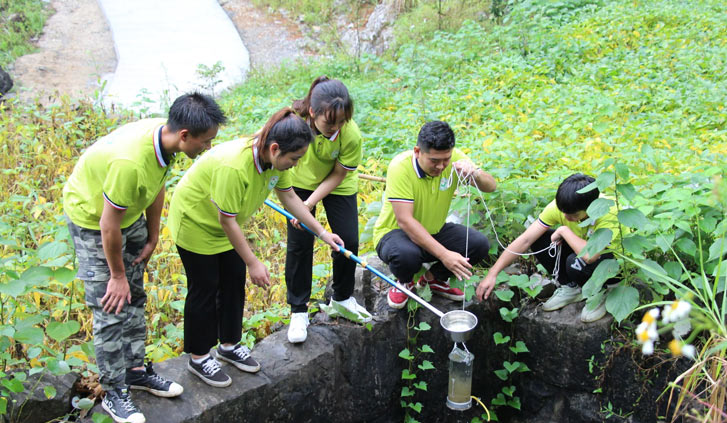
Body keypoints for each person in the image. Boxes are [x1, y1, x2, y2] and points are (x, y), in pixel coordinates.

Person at [63, 92, 226, 423]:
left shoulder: (164, 142)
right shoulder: (131, 162)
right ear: (185, 136)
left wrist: (153, 235)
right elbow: (108, 225)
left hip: (128, 215)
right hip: (92, 218)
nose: (208, 148)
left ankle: (134, 371)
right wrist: (117, 274)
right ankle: (112, 390)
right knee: (112, 304)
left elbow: (155, 187)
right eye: (206, 142)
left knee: (135, 296)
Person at [167, 108, 344, 387]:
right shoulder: (234, 167)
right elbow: (227, 221)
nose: (295, 165)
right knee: (205, 287)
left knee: (233, 282)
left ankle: (229, 345)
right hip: (196, 223)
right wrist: (253, 261)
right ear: (275, 149)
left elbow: (289, 196)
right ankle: (199, 358)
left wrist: (322, 232)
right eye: (294, 158)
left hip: (226, 225)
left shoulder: (275, 163)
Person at [372, 120, 497, 309]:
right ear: (417, 151)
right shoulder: (400, 167)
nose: (440, 166)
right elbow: (405, 221)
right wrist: (445, 255)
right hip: (396, 234)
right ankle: (404, 282)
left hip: (434, 230)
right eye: (434, 161)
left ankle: (432, 279)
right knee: (406, 255)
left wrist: (476, 173)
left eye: (445, 159)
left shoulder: (454, 159)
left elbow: (491, 186)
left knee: (479, 245)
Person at [284, 76, 370, 344]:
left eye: (342, 122)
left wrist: (311, 203)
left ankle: (342, 298)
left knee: (349, 240)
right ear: (312, 112)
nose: (336, 128)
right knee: (300, 242)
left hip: (336, 182)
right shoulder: (295, 126)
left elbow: (339, 174)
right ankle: (299, 311)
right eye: (329, 122)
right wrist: (303, 204)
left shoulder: (350, 134)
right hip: (299, 181)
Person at [476, 173, 622, 322]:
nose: (565, 217)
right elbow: (525, 239)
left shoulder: (608, 212)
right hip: (582, 252)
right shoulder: (564, 207)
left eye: (572, 215)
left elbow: (591, 256)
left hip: (611, 264)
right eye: (563, 211)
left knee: (574, 262)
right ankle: (571, 287)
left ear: (591, 207)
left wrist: (563, 231)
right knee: (539, 238)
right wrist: (493, 273)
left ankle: (604, 291)